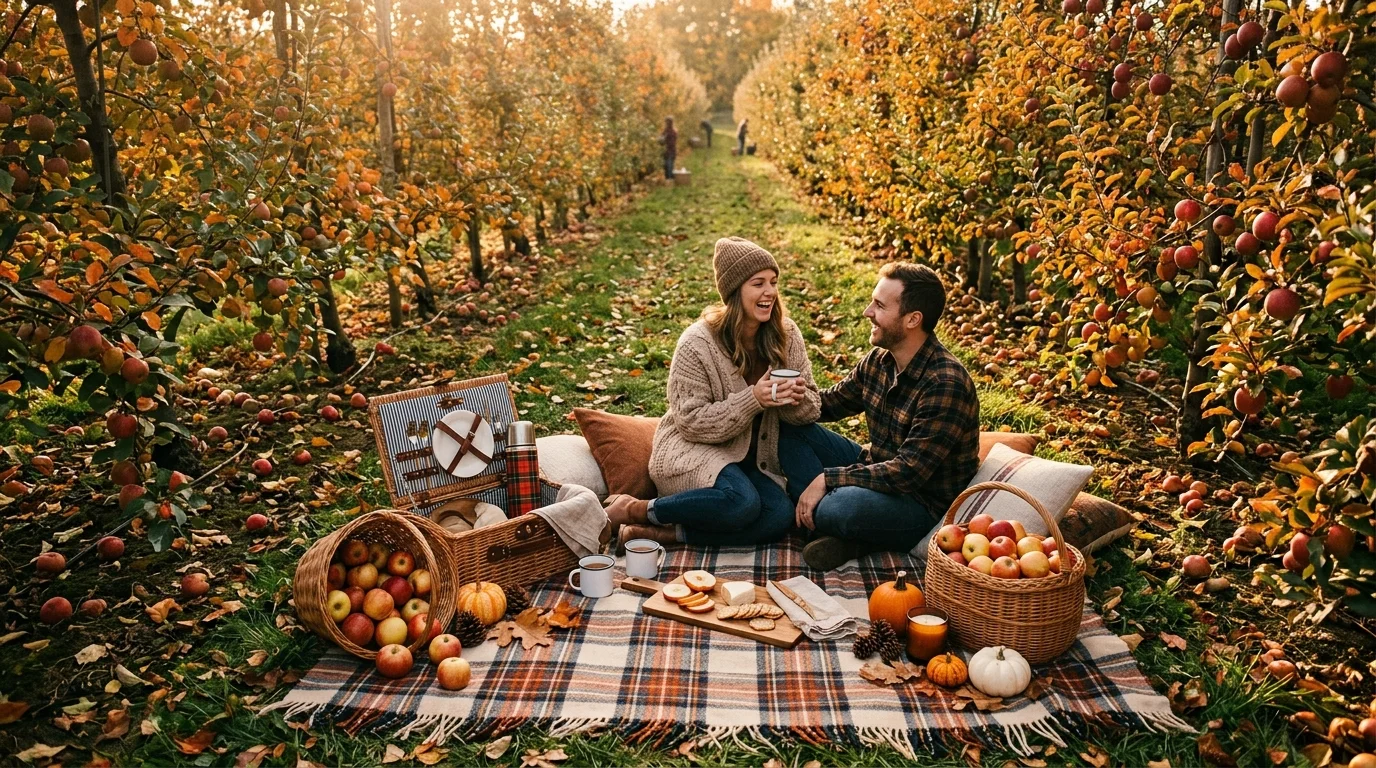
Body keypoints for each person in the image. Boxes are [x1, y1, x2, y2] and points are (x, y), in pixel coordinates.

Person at [605, 237, 821, 546]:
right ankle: (635, 508)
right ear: (735, 292)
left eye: (773, 282)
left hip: (750, 460)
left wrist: (793, 400)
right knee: (743, 503)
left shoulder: (786, 335)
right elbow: (690, 421)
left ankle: (667, 533)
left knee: (778, 515)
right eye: (758, 283)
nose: (770, 292)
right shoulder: (697, 343)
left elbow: (812, 407)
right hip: (692, 451)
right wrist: (754, 399)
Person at [778, 263, 981, 571]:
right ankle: (838, 528)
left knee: (841, 507)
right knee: (790, 428)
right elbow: (828, 405)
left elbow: (907, 473)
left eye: (880, 306)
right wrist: (784, 395)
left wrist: (826, 479)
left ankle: (840, 526)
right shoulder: (880, 360)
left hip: (921, 505)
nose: (867, 312)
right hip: (876, 466)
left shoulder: (945, 383)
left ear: (913, 319)